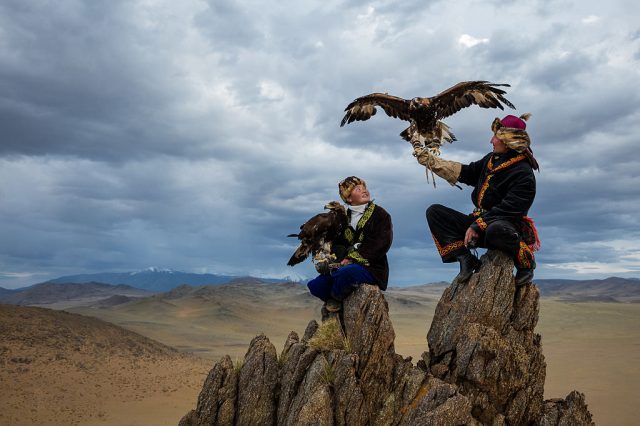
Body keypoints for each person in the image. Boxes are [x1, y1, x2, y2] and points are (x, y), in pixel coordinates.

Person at [415, 114, 540, 286]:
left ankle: (525, 264)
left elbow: (510, 209)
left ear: (508, 142)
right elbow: (467, 172)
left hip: (506, 226)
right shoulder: (491, 159)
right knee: (435, 212)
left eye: (496, 136)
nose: (491, 140)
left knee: (496, 229)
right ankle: (466, 259)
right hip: (480, 224)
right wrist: (432, 162)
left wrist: (477, 225)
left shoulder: (523, 173)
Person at [307, 176, 393, 311]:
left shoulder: (380, 214)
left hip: (371, 268)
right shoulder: (342, 217)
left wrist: (352, 259)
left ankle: (336, 298)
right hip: (342, 266)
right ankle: (338, 294)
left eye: (364, 188)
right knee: (315, 285)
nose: (364, 190)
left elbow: (382, 243)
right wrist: (327, 258)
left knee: (346, 273)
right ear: (348, 198)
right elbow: (336, 243)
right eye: (358, 189)